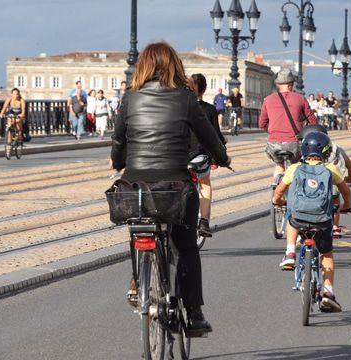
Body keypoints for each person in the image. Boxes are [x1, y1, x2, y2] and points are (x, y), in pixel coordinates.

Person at [111, 42, 230, 336]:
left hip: (135, 184)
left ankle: (139, 281)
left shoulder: (129, 98)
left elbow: (118, 142)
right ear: (175, 65)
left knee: (139, 230)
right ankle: (195, 312)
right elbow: (209, 137)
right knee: (187, 247)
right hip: (175, 185)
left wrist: (118, 162)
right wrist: (222, 157)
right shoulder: (185, 98)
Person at [272, 131, 351, 313]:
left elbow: (278, 192)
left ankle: (290, 253)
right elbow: (346, 192)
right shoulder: (331, 169)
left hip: (299, 218)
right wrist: (346, 206)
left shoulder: (293, 169)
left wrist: (278, 201)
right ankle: (328, 293)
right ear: (326, 150)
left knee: (291, 217)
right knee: (327, 254)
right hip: (322, 220)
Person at [259, 68, 318, 184]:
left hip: (274, 144)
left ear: (277, 84)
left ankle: (276, 187)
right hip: (293, 143)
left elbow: (262, 124)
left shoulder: (268, 100)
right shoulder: (300, 99)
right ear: (292, 84)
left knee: (280, 164)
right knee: (295, 165)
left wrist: (273, 131)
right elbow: (313, 122)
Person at [300, 124, 351, 237]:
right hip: (333, 184)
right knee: (335, 200)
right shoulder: (336, 148)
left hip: (307, 190)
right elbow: (350, 166)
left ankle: (293, 241)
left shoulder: (304, 150)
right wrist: (350, 178)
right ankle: (335, 226)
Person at [189, 73, 227, 237]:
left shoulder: (180, 108)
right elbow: (215, 136)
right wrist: (219, 156)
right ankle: (204, 221)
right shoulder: (209, 109)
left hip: (181, 156)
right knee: (204, 184)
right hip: (199, 156)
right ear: (204, 90)